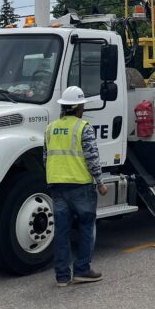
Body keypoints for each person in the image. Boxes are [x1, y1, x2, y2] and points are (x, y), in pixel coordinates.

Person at [45, 86, 108, 287]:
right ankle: (82, 270)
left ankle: (62, 276)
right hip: (80, 185)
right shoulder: (83, 127)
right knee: (86, 227)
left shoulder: (50, 128)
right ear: (79, 107)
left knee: (61, 231)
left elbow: (45, 158)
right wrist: (100, 182)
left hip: (57, 185)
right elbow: (92, 158)